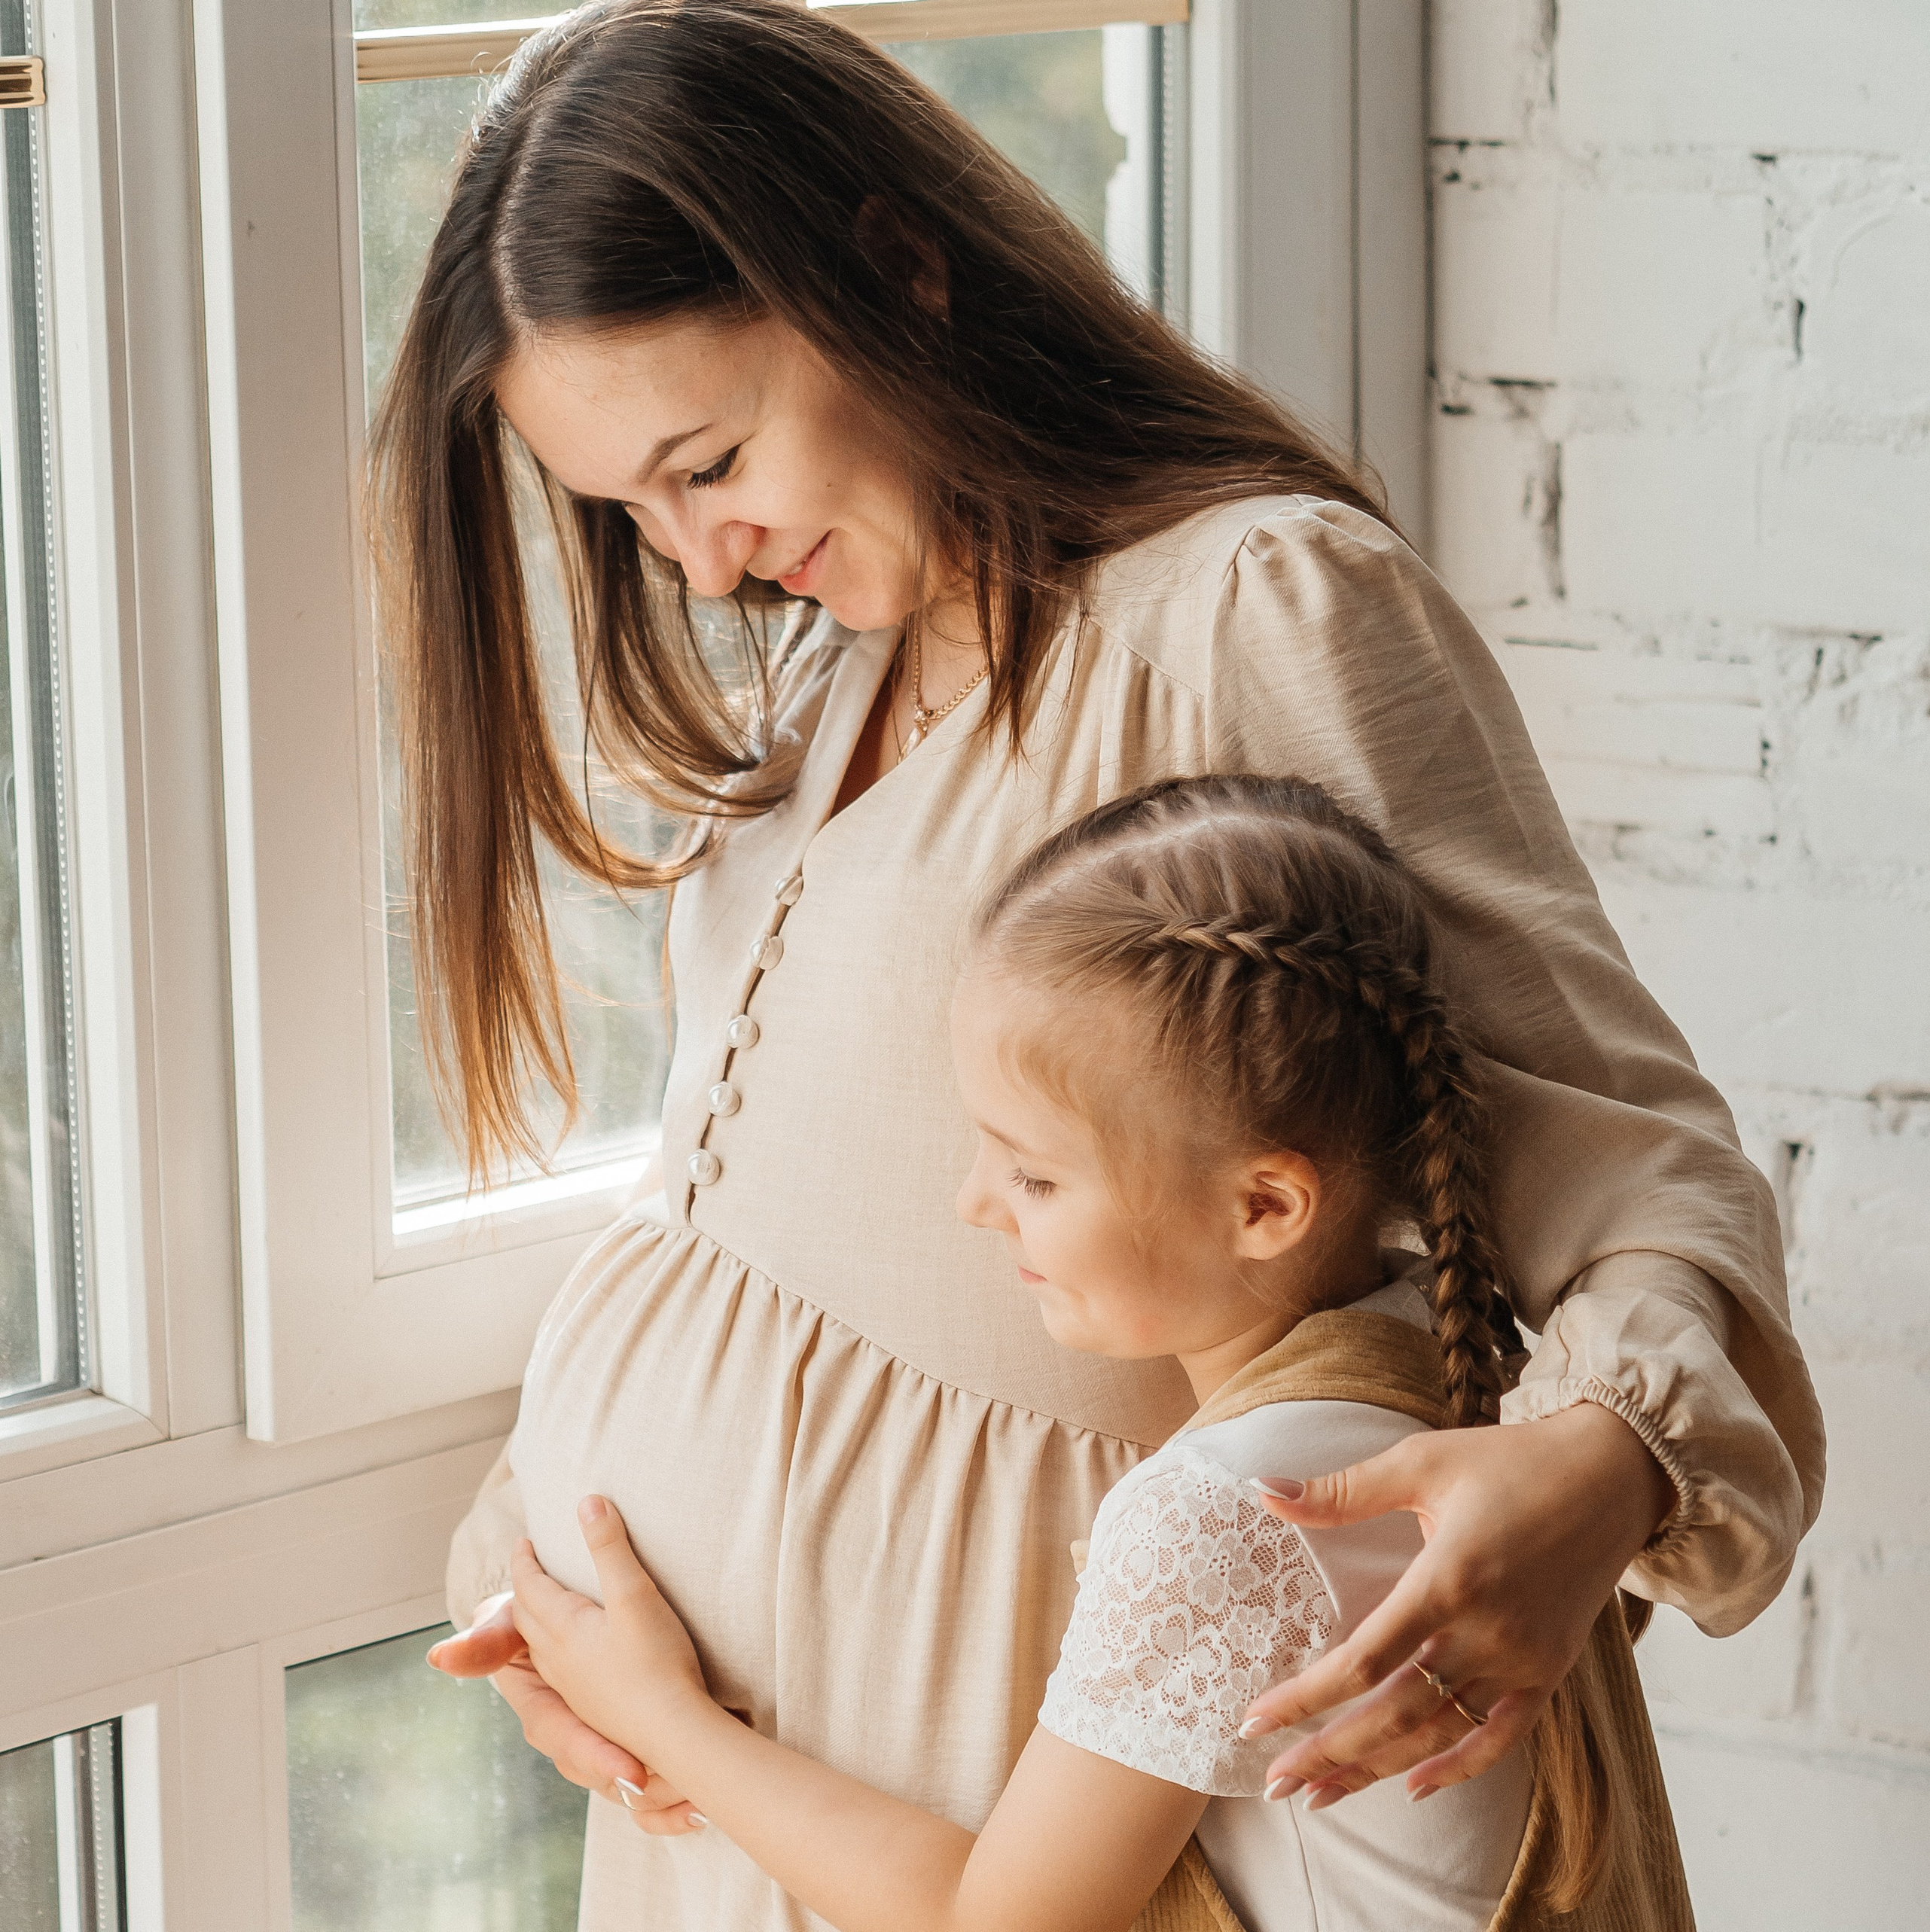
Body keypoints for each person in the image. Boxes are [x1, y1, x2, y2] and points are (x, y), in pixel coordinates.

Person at [392, 2, 1822, 1922]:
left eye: (709, 459)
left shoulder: (1245, 608)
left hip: (1007, 1776)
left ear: (896, 269)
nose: (702, 565)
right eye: (627, 511)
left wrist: (1601, 1464)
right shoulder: (842, 661)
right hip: (739, 1791)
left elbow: (1631, 1159)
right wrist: (553, 1593)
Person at [499, 775, 1694, 1932]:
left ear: (1265, 1206)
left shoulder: (1244, 1505)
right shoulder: (1444, 1347)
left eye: (1035, 1173)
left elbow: (994, 1922)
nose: (976, 1201)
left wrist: (662, 1712)